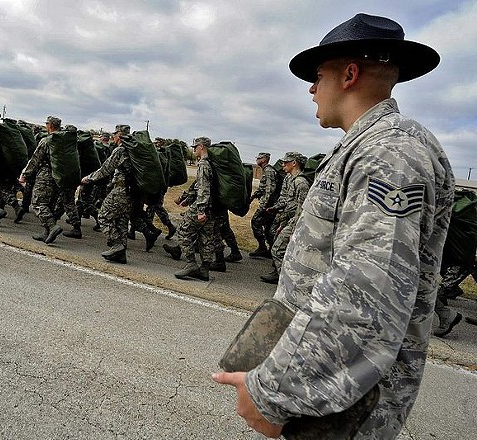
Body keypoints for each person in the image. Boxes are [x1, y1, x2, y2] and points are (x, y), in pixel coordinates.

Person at [213, 13, 454, 439]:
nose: (310, 88)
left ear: (349, 74)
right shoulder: (363, 147)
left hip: (347, 403)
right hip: (329, 395)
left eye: (317, 75)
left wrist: (274, 393)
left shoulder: (390, 153)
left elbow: (363, 298)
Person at [80, 125, 134, 264]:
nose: (113, 137)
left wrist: (89, 178)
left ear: (120, 135)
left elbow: (105, 169)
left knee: (103, 216)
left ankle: (117, 244)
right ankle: (121, 255)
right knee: (121, 221)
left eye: (115, 134)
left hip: (120, 190)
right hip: (131, 192)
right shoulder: (134, 149)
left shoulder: (120, 150)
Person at [167, 137, 215, 281]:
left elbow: (204, 188)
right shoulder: (212, 163)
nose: (194, 150)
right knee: (206, 237)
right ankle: (204, 270)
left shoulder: (203, 164)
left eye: (195, 147)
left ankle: (191, 264)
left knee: (182, 231)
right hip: (212, 207)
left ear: (201, 147)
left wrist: (200, 210)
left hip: (202, 205)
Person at [260, 152, 310, 284]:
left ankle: (287, 281)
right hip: (287, 219)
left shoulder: (301, 183)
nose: (282, 165)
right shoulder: (290, 179)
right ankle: (278, 273)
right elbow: (287, 201)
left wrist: (293, 228)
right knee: (277, 243)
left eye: (286, 162)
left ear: (294, 163)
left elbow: (302, 209)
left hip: (295, 222)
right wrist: (276, 209)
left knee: (277, 249)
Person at [19, 116, 65, 244]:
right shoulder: (65, 141)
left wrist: (25, 174)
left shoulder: (46, 140)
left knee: (38, 203)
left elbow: (35, 159)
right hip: (59, 176)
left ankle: (52, 227)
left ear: (50, 125)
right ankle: (47, 233)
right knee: (49, 204)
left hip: (46, 175)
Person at [248, 152, 279, 258]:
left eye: (259, 158)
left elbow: (270, 189)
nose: (257, 159)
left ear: (265, 159)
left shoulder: (269, 171)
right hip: (270, 204)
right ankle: (271, 250)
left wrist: (264, 206)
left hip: (269, 205)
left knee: (255, 222)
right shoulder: (266, 170)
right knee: (268, 228)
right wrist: (253, 196)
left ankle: (263, 247)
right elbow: (263, 188)